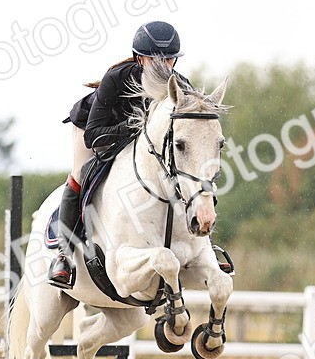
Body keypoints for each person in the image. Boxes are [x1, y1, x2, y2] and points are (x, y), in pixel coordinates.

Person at [49, 21, 231, 289]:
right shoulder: (117, 78)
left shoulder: (179, 85)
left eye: (169, 59)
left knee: (181, 177)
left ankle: (204, 246)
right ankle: (64, 255)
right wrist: (136, 127)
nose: (164, 64)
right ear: (140, 58)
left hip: (141, 143)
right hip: (94, 129)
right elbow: (94, 134)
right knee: (79, 173)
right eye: (156, 58)